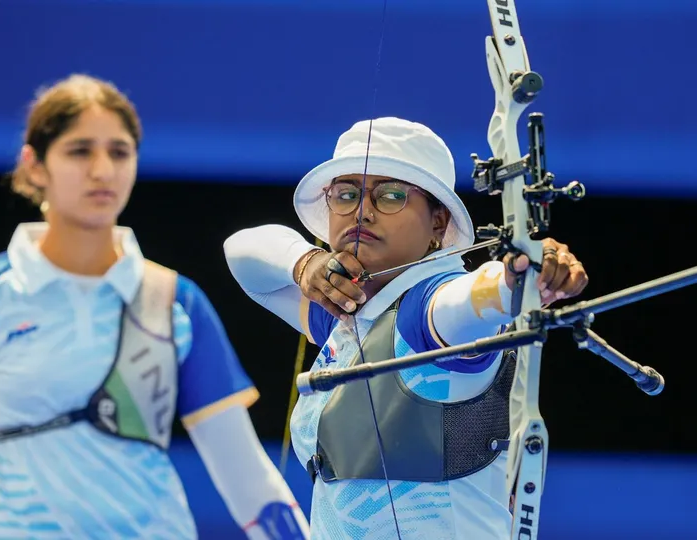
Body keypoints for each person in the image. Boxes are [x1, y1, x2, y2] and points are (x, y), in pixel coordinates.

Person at [0, 74, 310, 540]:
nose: (102, 170)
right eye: (80, 151)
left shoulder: (175, 301)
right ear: (34, 165)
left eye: (119, 152)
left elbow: (247, 479)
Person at [223, 117, 589, 539]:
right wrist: (305, 263)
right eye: (346, 194)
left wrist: (519, 277)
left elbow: (470, 299)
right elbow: (241, 252)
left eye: (391, 195)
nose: (362, 210)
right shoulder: (342, 312)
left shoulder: (428, 310)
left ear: (438, 222)